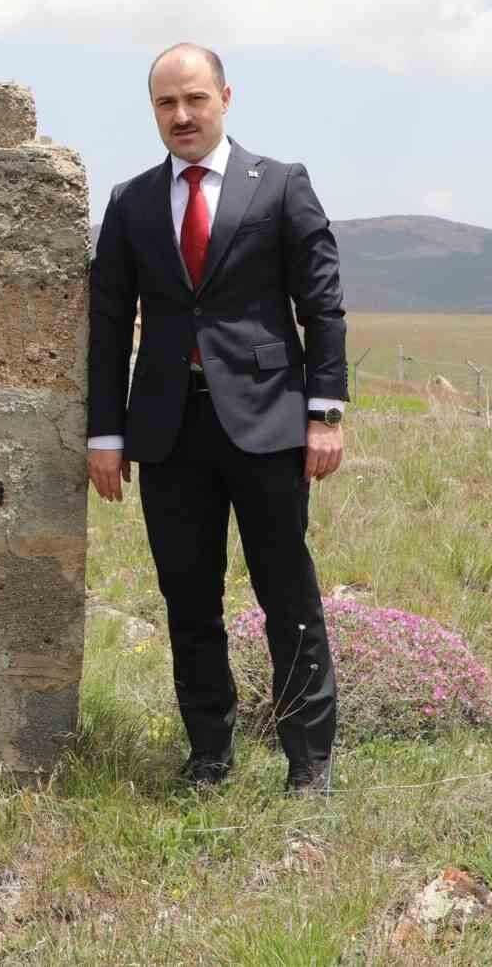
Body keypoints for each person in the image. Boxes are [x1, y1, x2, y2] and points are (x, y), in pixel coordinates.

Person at [87, 43, 346, 794]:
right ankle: (209, 756)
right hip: (167, 432)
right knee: (188, 598)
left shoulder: (282, 186)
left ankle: (311, 762)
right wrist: (107, 434)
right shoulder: (131, 201)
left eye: (194, 99)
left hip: (269, 424)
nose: (182, 115)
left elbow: (322, 305)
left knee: (286, 593)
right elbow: (108, 325)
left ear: (225, 97)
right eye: (166, 103)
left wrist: (323, 412)